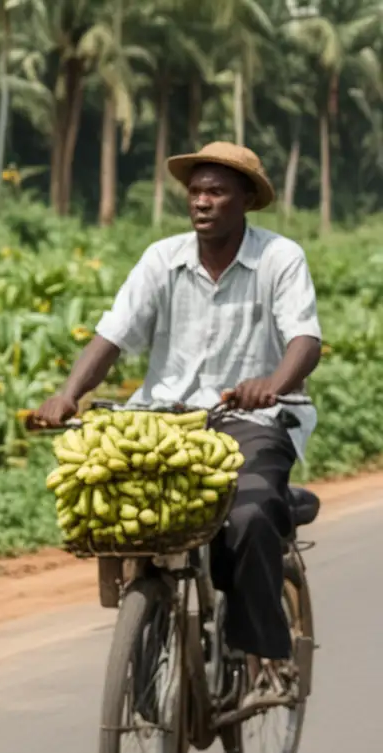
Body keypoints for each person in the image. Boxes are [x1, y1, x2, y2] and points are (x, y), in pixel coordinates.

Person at [33, 142, 322, 686]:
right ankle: (149, 629)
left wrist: (272, 385)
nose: (202, 202)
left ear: (244, 201)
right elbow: (111, 335)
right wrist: (69, 393)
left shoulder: (280, 258)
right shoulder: (162, 260)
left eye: (216, 192)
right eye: (195, 192)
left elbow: (304, 340)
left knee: (250, 514)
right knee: (124, 513)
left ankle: (262, 651)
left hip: (250, 421)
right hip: (161, 419)